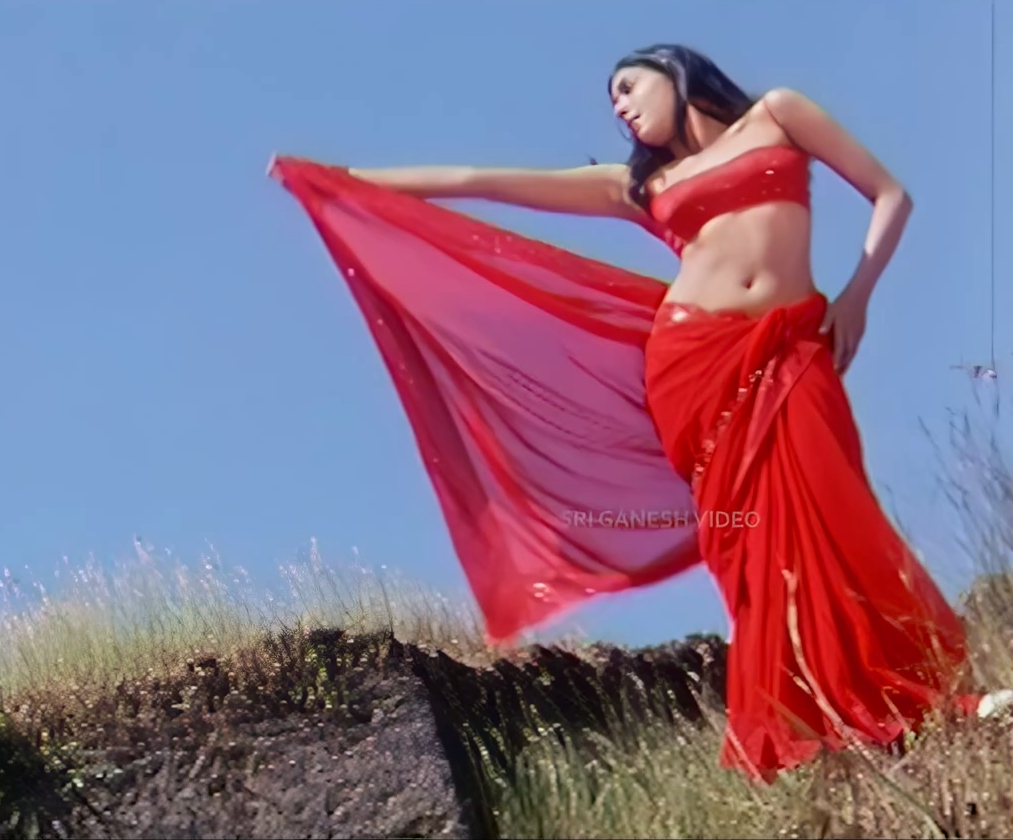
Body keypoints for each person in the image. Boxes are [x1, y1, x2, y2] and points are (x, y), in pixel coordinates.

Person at [269, 43, 1012, 782]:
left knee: (835, 509)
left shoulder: (778, 115)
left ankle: (902, 701)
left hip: (793, 348)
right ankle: (813, 723)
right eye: (612, 102)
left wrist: (857, 297)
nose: (620, 106)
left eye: (628, 86)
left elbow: (891, 195)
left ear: (674, 71)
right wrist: (339, 181)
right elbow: (481, 180)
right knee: (752, 544)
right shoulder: (638, 185)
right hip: (696, 365)